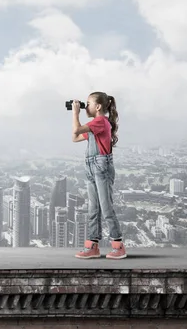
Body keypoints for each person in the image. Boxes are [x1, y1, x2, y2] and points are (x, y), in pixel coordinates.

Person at [71, 92, 126, 259]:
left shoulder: (101, 121)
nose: (85, 106)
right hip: (91, 167)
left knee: (106, 207)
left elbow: (76, 129)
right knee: (93, 208)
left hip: (101, 167)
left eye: (87, 103)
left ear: (98, 107)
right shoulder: (94, 125)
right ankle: (93, 246)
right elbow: (75, 138)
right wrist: (77, 117)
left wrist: (75, 113)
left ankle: (118, 246)